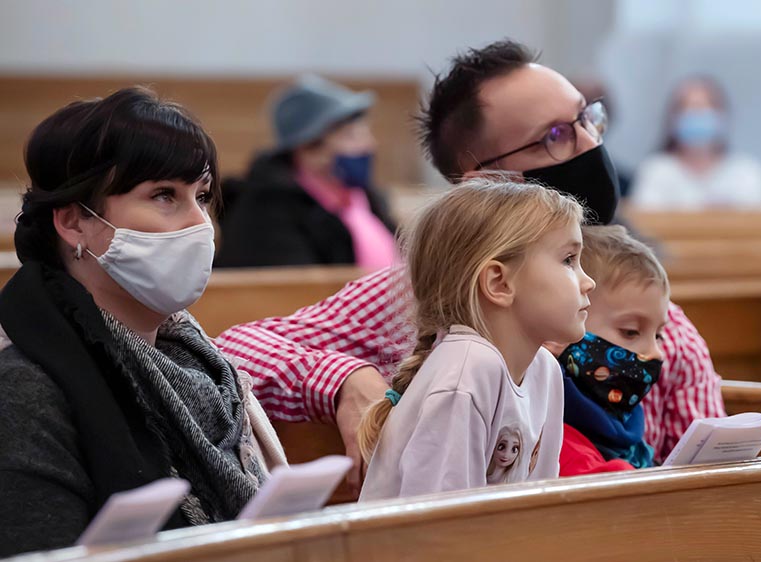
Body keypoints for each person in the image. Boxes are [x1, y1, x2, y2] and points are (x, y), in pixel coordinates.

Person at [216, 40, 726, 496]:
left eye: (586, 119)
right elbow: (228, 353)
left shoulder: (653, 311)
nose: (591, 147)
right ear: (487, 183)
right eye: (554, 136)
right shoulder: (429, 294)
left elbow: (717, 474)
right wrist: (342, 380)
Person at [0, 87, 287, 557]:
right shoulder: (26, 391)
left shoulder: (204, 369)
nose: (201, 225)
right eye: (163, 195)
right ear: (74, 222)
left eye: (203, 196)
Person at [357, 179, 589, 500]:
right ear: (499, 283)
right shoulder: (467, 371)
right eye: (568, 260)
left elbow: (540, 509)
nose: (588, 281)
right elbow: (443, 530)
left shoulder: (545, 370)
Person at [215, 74, 397, 269]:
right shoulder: (269, 209)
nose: (369, 145)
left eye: (366, 134)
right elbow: (300, 290)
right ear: (308, 147)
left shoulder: (363, 198)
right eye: (352, 136)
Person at [554, 225, 668, 476]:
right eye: (630, 332)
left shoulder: (629, 431)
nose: (656, 353)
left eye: (658, 334)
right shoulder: (551, 432)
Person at [630, 76, 761, 211]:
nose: (696, 114)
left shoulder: (746, 172)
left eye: (705, 108)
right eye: (687, 108)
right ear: (672, 118)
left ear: (723, 116)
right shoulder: (656, 171)